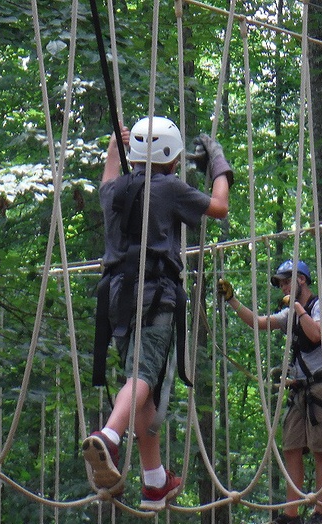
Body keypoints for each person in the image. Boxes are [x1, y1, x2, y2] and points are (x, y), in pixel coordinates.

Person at [83, 116, 233, 510]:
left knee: (140, 389)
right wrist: (220, 167)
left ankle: (154, 481)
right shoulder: (168, 188)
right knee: (144, 376)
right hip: (155, 296)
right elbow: (219, 207)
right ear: (171, 159)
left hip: (117, 300)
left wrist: (115, 148)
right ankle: (110, 437)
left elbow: (109, 176)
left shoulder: (114, 192)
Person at [217, 260, 322, 524]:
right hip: (302, 391)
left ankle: (319, 512)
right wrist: (232, 301)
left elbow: (317, 333)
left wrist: (297, 309)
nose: (284, 287)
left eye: (287, 281)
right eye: (282, 283)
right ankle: (291, 514)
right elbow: (258, 322)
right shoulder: (291, 314)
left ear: (301, 280)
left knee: (321, 449)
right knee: (291, 447)